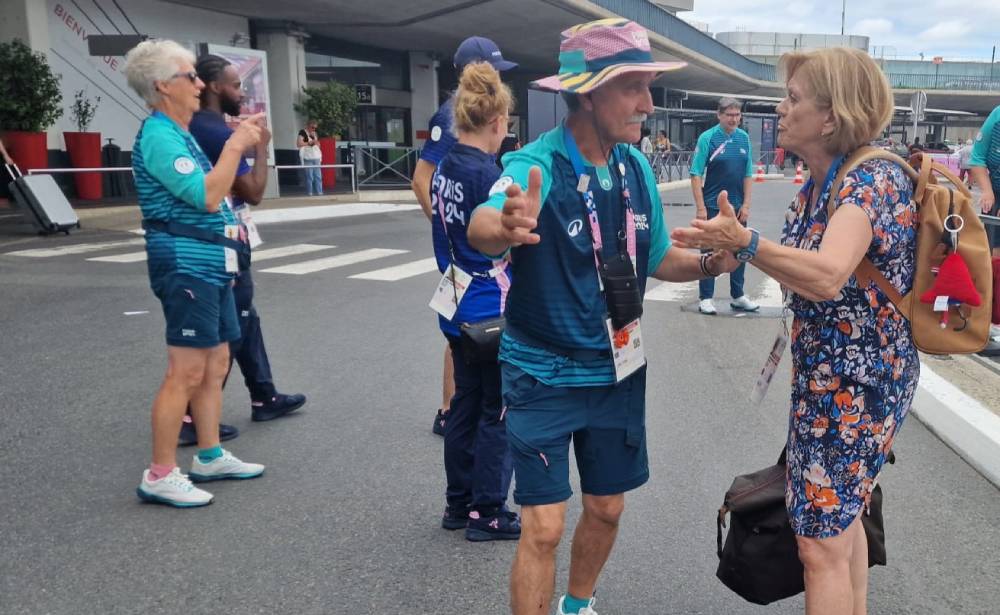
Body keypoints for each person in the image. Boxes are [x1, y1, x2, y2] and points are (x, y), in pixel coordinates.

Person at [467, 18, 736, 615]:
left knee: (607, 507)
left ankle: (577, 604)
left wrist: (713, 264)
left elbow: (659, 257)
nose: (647, 103)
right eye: (632, 87)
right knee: (541, 527)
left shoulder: (636, 168)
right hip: (541, 372)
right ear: (587, 93)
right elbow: (488, 222)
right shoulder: (533, 166)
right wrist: (504, 226)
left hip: (618, 368)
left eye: (647, 86)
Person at [672, 47, 918, 615]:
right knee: (844, 526)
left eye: (793, 98)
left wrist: (747, 243)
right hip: (830, 387)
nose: (780, 108)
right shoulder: (817, 184)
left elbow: (829, 275)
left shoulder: (869, 182)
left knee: (818, 544)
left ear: (830, 117)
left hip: (856, 390)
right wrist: (736, 249)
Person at [125, 39, 265, 508]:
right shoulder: (161, 136)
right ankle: (161, 472)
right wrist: (238, 144)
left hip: (209, 263)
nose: (200, 84)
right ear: (164, 85)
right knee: (185, 370)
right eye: (191, 76)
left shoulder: (178, 132)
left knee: (216, 361)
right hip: (186, 264)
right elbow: (205, 194)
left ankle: (209, 453)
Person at [186, 54, 306, 442]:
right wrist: (260, 148)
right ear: (216, 87)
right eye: (236, 85)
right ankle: (193, 417)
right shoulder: (215, 132)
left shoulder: (201, 126)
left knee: (245, 317)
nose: (241, 92)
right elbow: (253, 192)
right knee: (230, 325)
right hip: (222, 237)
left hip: (223, 234)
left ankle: (263, 395)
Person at [411, 36, 518, 436]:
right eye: (493, 71)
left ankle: (452, 410)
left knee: (460, 334)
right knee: (469, 336)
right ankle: (449, 409)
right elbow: (422, 179)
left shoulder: (461, 118)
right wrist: (452, 229)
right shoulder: (451, 118)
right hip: (468, 263)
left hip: (459, 262)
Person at [430, 61, 519, 542]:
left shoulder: (445, 166)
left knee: (463, 404)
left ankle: (458, 501)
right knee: (497, 410)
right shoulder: (492, 174)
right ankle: (489, 509)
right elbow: (507, 238)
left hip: (453, 294)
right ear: (497, 122)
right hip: (489, 301)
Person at [690, 97, 759, 315]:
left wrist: (746, 204)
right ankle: (706, 297)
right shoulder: (707, 138)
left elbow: (748, 174)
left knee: (741, 249)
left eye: (737, 114)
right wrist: (700, 208)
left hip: (737, 207)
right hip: (712, 205)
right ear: (719, 115)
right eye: (729, 114)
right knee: (710, 249)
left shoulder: (744, 139)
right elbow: (696, 174)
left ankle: (738, 295)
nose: (734, 119)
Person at [969, 104, 1000, 258]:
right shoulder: (997, 117)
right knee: (993, 250)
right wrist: (987, 191)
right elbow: (977, 157)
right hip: (995, 190)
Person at [297, 121, 323, 196]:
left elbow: (318, 145)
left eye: (315, 128)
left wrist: (316, 143)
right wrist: (309, 143)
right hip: (307, 157)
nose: (314, 129)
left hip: (316, 156)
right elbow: (299, 144)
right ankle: (310, 192)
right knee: (309, 176)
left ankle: (319, 192)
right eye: (312, 127)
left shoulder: (315, 134)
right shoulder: (302, 132)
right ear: (308, 126)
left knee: (318, 176)